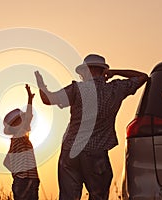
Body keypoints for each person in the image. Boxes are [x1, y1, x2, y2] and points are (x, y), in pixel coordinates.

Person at [34, 54, 148, 200]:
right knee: (98, 195)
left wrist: (41, 85)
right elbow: (143, 77)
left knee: (68, 196)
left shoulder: (76, 89)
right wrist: (116, 72)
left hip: (70, 150)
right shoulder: (116, 88)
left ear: (84, 72)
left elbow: (47, 99)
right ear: (103, 71)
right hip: (97, 152)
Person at [3, 84, 40, 200]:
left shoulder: (15, 141)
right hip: (25, 181)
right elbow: (29, 116)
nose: (25, 121)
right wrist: (29, 99)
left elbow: (6, 162)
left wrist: (17, 172)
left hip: (24, 180)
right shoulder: (19, 137)